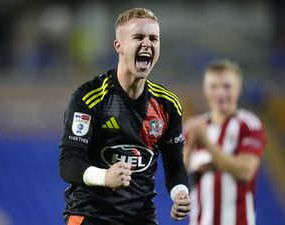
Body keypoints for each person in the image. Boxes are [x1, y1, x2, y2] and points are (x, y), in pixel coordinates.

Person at [59, 8, 191, 225]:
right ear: (119, 46)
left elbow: (175, 164)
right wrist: (104, 177)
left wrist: (179, 193)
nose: (147, 43)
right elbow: (68, 163)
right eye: (138, 37)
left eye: (154, 38)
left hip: (141, 217)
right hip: (91, 215)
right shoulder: (89, 97)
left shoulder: (168, 105)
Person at [183, 59, 266, 225]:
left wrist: (208, 146)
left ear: (238, 89)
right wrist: (191, 146)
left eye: (227, 86)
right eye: (214, 86)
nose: (221, 93)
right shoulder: (194, 126)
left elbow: (246, 171)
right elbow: (178, 174)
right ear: (205, 91)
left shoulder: (248, 124)